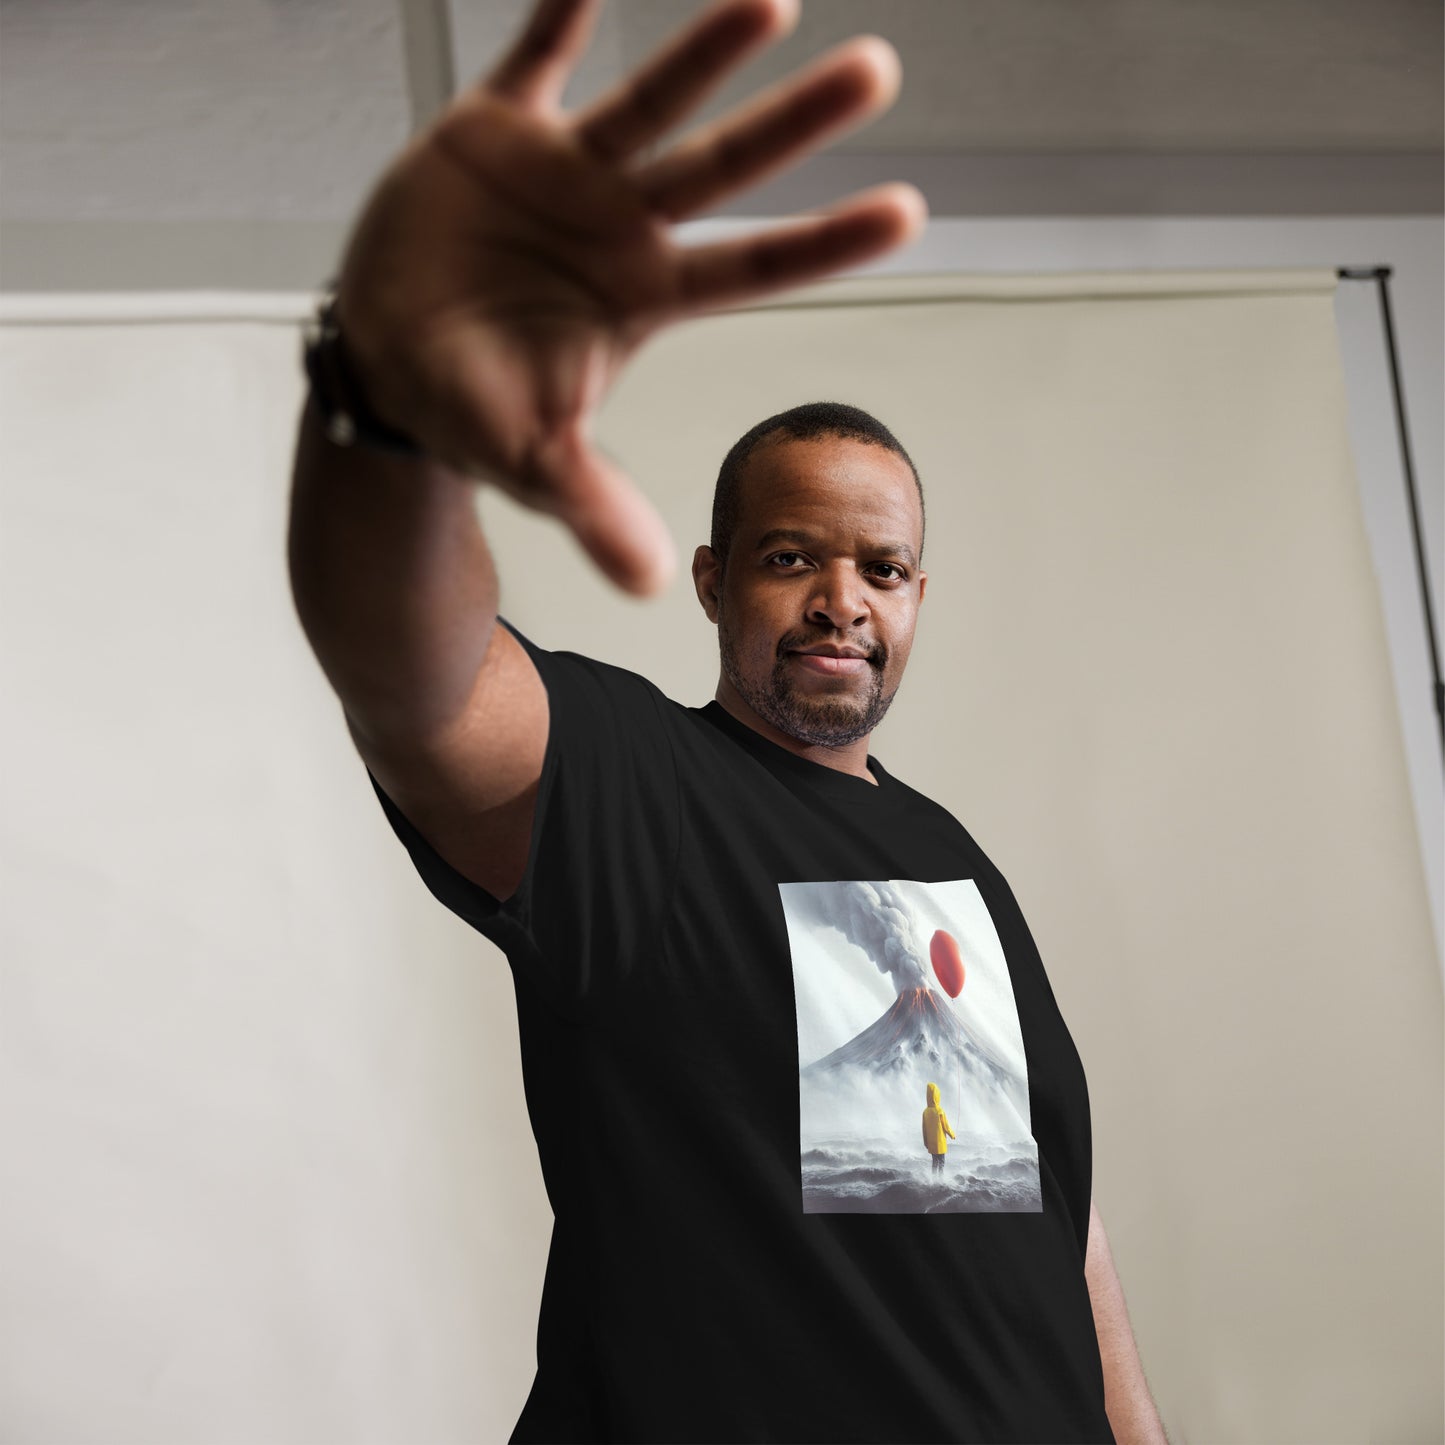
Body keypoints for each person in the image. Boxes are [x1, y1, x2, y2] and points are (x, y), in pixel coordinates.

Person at [286, 0, 1168, 1440]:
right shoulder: (642, 784)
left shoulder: (953, 859)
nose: (841, 599)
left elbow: (1060, 1226)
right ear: (712, 579)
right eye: (788, 557)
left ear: (918, 595)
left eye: (880, 568)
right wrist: (391, 410)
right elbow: (418, 684)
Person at [922, 1080, 956, 1175]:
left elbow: (924, 1130)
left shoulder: (925, 1112)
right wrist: (952, 1135)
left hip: (932, 1144)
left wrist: (926, 1143)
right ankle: (941, 1181)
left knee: (934, 1163)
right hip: (940, 1144)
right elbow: (946, 1127)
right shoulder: (940, 1110)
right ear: (937, 1096)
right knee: (941, 1163)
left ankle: (933, 1180)